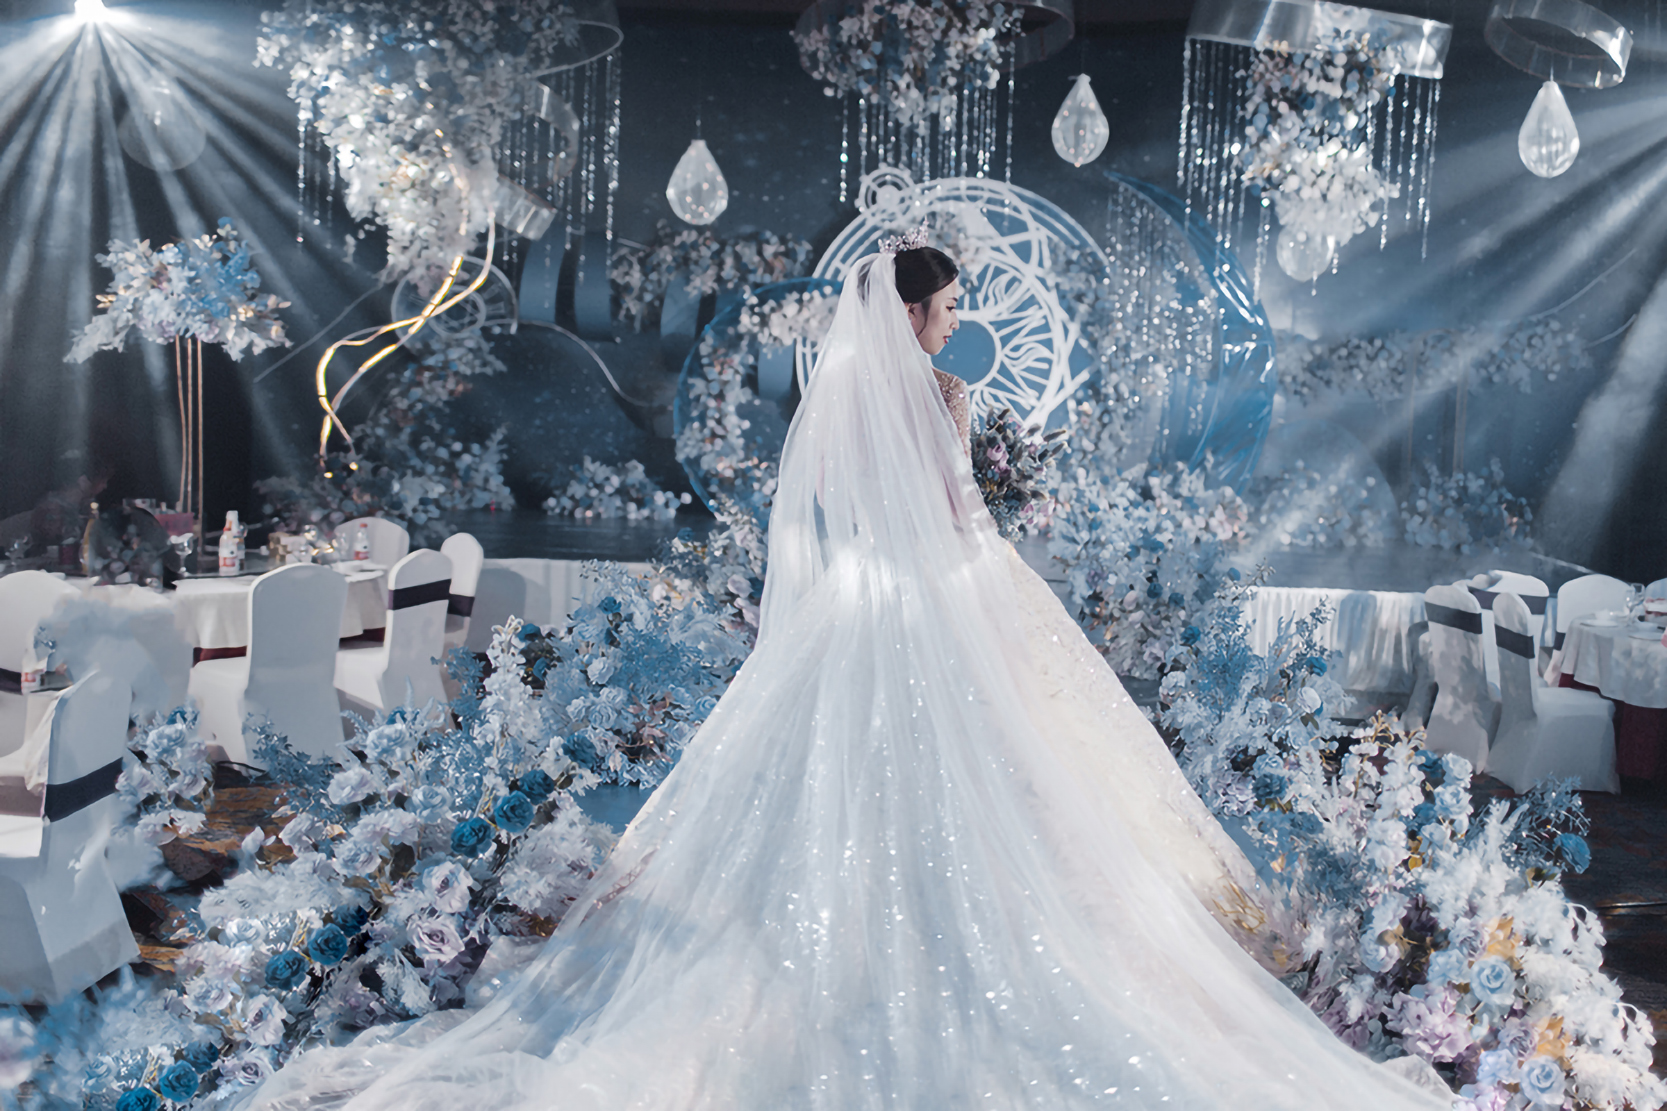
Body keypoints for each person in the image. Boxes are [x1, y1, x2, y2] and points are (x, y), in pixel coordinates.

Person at [244, 246, 1449, 1110]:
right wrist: (989, 552)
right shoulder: (940, 391)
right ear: (914, 309)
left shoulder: (834, 395)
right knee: (994, 772)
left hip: (855, 605)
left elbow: (822, 515)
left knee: (839, 780)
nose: (953, 320)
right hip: (935, 599)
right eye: (948, 304)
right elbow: (956, 515)